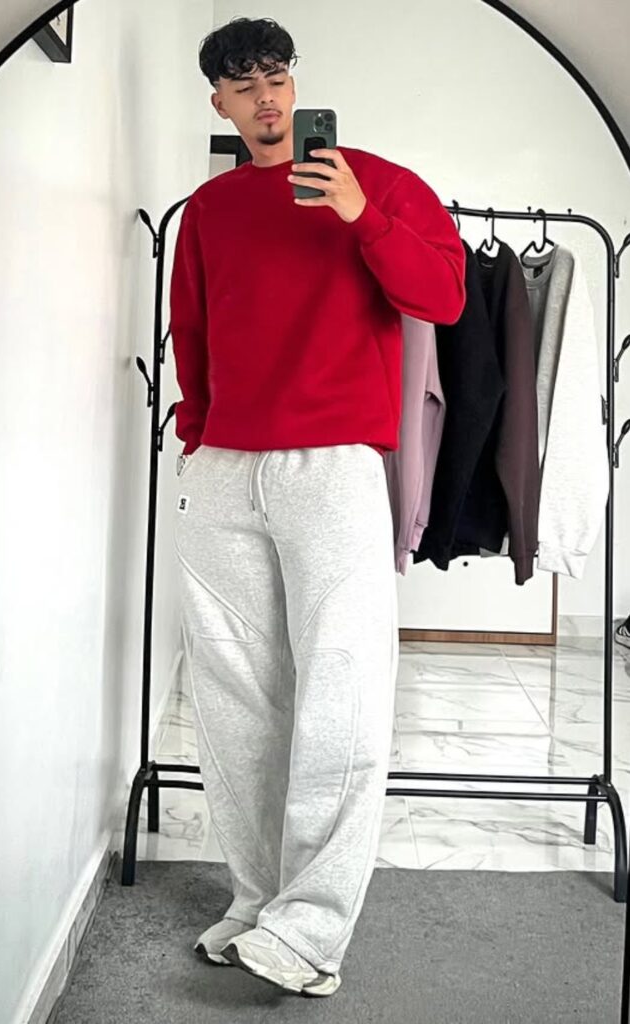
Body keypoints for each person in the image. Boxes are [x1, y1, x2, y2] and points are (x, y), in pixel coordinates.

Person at [170, 16, 466, 998]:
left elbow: (442, 298)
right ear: (218, 101)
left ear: (295, 85)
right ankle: (258, 899)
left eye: (276, 77)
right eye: (242, 83)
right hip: (223, 468)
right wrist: (197, 434)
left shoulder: (378, 182)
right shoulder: (208, 208)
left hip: (332, 466)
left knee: (342, 691)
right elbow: (191, 330)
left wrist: (359, 215)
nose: (264, 97)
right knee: (234, 695)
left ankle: (310, 931)